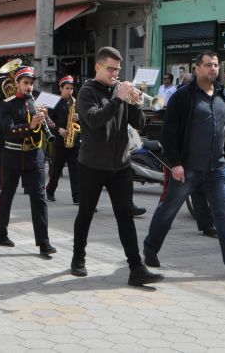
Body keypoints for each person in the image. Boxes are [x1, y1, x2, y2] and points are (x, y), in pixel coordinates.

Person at [143, 52, 225, 281]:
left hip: (216, 169)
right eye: (208, 65)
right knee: (168, 209)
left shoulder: (221, 95)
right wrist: (175, 163)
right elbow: (169, 134)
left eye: (215, 65)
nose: (212, 69)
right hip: (187, 168)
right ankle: (150, 248)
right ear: (196, 68)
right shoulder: (183, 97)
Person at [69, 47, 163, 285]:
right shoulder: (86, 92)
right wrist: (118, 98)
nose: (114, 74)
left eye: (117, 70)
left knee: (125, 216)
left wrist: (135, 103)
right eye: (110, 69)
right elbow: (94, 120)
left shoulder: (119, 92)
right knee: (86, 213)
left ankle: (136, 268)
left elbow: (138, 124)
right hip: (92, 164)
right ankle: (78, 257)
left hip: (120, 165)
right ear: (98, 67)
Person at [0, 65, 56, 256]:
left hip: (34, 156)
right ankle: (0, 233)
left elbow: (51, 125)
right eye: (25, 83)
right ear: (17, 84)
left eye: (31, 83)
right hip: (13, 155)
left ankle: (43, 242)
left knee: (39, 198)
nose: (29, 87)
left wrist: (47, 119)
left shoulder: (36, 101)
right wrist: (30, 125)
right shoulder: (7, 104)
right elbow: (8, 131)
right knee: (7, 195)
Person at [46, 76, 80, 204]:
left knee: (75, 171)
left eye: (71, 89)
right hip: (60, 143)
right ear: (61, 89)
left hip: (73, 143)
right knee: (56, 171)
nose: (69, 91)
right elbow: (49, 121)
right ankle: (50, 191)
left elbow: (83, 122)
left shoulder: (75, 103)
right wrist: (59, 130)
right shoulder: (55, 103)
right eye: (67, 88)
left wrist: (79, 118)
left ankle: (77, 197)